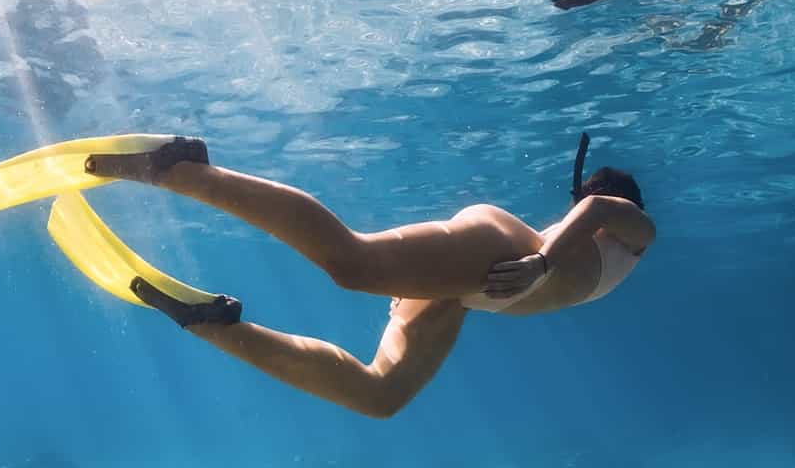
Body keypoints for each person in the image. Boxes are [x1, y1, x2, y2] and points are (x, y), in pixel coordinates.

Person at [83, 135, 653, 418]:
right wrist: (543, 262)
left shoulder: (619, 240)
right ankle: (180, 170)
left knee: (380, 394)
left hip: (481, 292)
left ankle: (207, 322)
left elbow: (587, 210)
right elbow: (598, 208)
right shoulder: (636, 226)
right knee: (349, 263)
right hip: (505, 253)